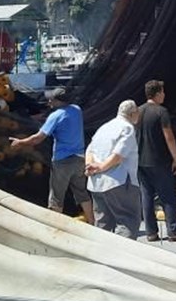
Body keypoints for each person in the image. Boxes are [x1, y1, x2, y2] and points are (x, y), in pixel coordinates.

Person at [9, 87, 94, 225]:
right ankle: (92, 222)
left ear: (59, 101)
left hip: (62, 161)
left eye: (51, 99)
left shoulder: (56, 116)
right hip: (79, 159)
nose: (48, 101)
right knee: (81, 192)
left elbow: (38, 138)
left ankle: (55, 227)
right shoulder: (76, 110)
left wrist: (20, 142)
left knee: (56, 197)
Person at [136, 80, 176, 242]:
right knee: (168, 196)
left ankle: (151, 232)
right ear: (157, 93)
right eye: (162, 92)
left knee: (146, 196)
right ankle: (173, 232)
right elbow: (169, 137)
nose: (164, 95)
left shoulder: (137, 111)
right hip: (159, 160)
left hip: (141, 160)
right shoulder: (161, 112)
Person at [85, 100, 142, 239]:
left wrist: (90, 166)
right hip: (119, 181)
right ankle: (122, 257)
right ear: (133, 113)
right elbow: (119, 155)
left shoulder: (104, 127)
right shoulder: (127, 128)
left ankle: (100, 256)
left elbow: (89, 149)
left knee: (102, 223)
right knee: (127, 220)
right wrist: (102, 167)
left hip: (96, 183)